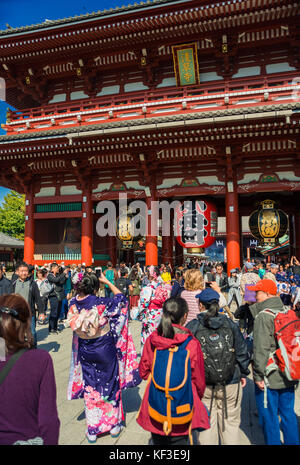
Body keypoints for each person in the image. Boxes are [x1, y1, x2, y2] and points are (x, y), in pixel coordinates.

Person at [67, 273, 141, 443]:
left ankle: (92, 429)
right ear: (95, 288)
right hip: (104, 349)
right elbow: (122, 299)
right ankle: (113, 426)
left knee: (91, 386)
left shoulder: (73, 303)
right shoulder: (103, 303)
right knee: (109, 384)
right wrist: (107, 282)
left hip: (86, 349)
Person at [136, 297, 210, 445]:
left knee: (158, 441)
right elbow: (199, 380)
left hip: (156, 401)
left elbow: (143, 372)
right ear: (185, 316)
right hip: (182, 401)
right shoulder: (192, 343)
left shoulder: (153, 339)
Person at [186, 288, 250, 445]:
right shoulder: (230, 324)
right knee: (231, 424)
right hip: (231, 380)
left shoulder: (193, 326)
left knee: (206, 422)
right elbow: (242, 351)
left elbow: (186, 355)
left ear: (200, 305)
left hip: (203, 383)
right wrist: (243, 372)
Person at [0, 294, 60, 445]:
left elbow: (3, 351)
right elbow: (48, 420)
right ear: (27, 323)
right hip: (25, 437)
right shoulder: (40, 360)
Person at [247, 279, 300, 445]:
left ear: (267, 294)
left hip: (270, 373)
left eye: (258, 292)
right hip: (289, 369)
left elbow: (260, 349)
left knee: (269, 417)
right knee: (288, 414)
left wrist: (257, 375)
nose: (255, 295)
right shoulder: (286, 310)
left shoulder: (263, 316)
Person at [9, 262, 45, 348]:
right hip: (16, 314)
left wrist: (41, 312)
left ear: (28, 272)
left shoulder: (32, 284)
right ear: (17, 272)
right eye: (21, 271)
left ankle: (34, 349)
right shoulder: (14, 283)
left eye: (25, 271)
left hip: (29, 313)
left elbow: (38, 299)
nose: (23, 273)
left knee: (32, 332)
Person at [135, 266, 171, 353]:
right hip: (161, 313)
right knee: (159, 334)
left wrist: (137, 314)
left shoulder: (148, 288)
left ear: (150, 275)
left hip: (150, 315)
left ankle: (148, 355)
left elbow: (143, 305)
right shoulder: (164, 287)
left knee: (148, 336)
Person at [47, 263, 68, 335]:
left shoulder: (58, 275)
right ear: (52, 268)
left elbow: (61, 282)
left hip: (59, 295)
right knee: (54, 312)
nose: (58, 269)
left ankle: (55, 327)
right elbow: (56, 280)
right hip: (53, 295)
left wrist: (65, 276)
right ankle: (51, 328)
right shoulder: (50, 275)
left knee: (58, 312)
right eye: (56, 268)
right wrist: (63, 274)